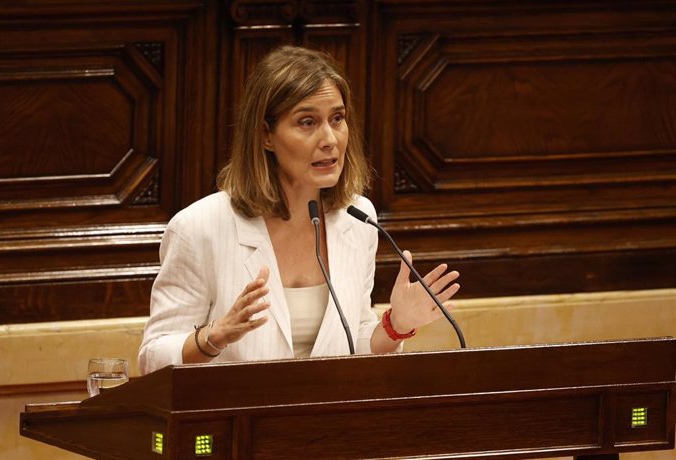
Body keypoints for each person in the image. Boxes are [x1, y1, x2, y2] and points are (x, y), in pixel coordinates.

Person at [138, 46, 460, 375]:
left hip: (328, 421)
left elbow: (352, 346)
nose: (330, 139)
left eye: (337, 119)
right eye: (307, 122)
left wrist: (396, 325)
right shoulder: (199, 228)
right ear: (265, 135)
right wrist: (214, 336)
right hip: (234, 422)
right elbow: (152, 358)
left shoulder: (358, 218)